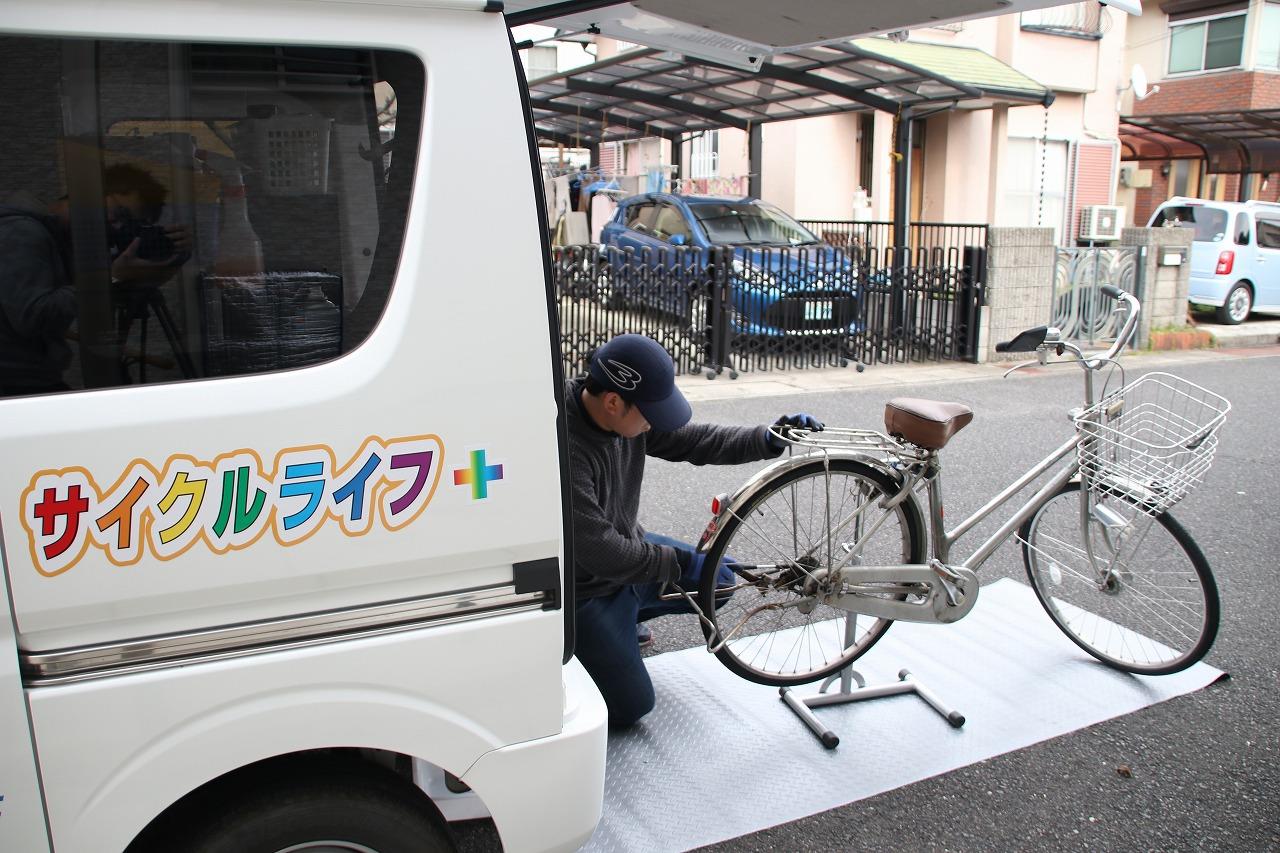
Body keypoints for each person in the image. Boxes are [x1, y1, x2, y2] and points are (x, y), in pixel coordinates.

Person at [566, 333, 821, 728]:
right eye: (650, 413)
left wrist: (767, 438)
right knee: (631, 707)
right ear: (613, 402)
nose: (655, 422)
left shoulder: (623, 412)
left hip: (628, 553)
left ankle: (627, 619)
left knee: (719, 580)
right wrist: (681, 563)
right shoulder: (564, 446)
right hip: (587, 589)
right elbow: (603, 551)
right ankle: (583, 647)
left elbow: (695, 440)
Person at [0, 164, 190, 396]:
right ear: (88, 192)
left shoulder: (62, 239)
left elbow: (116, 296)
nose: (116, 225)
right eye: (120, 213)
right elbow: (34, 315)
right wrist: (112, 275)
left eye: (128, 223)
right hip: (16, 384)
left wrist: (171, 258)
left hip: (28, 378)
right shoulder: (21, 231)